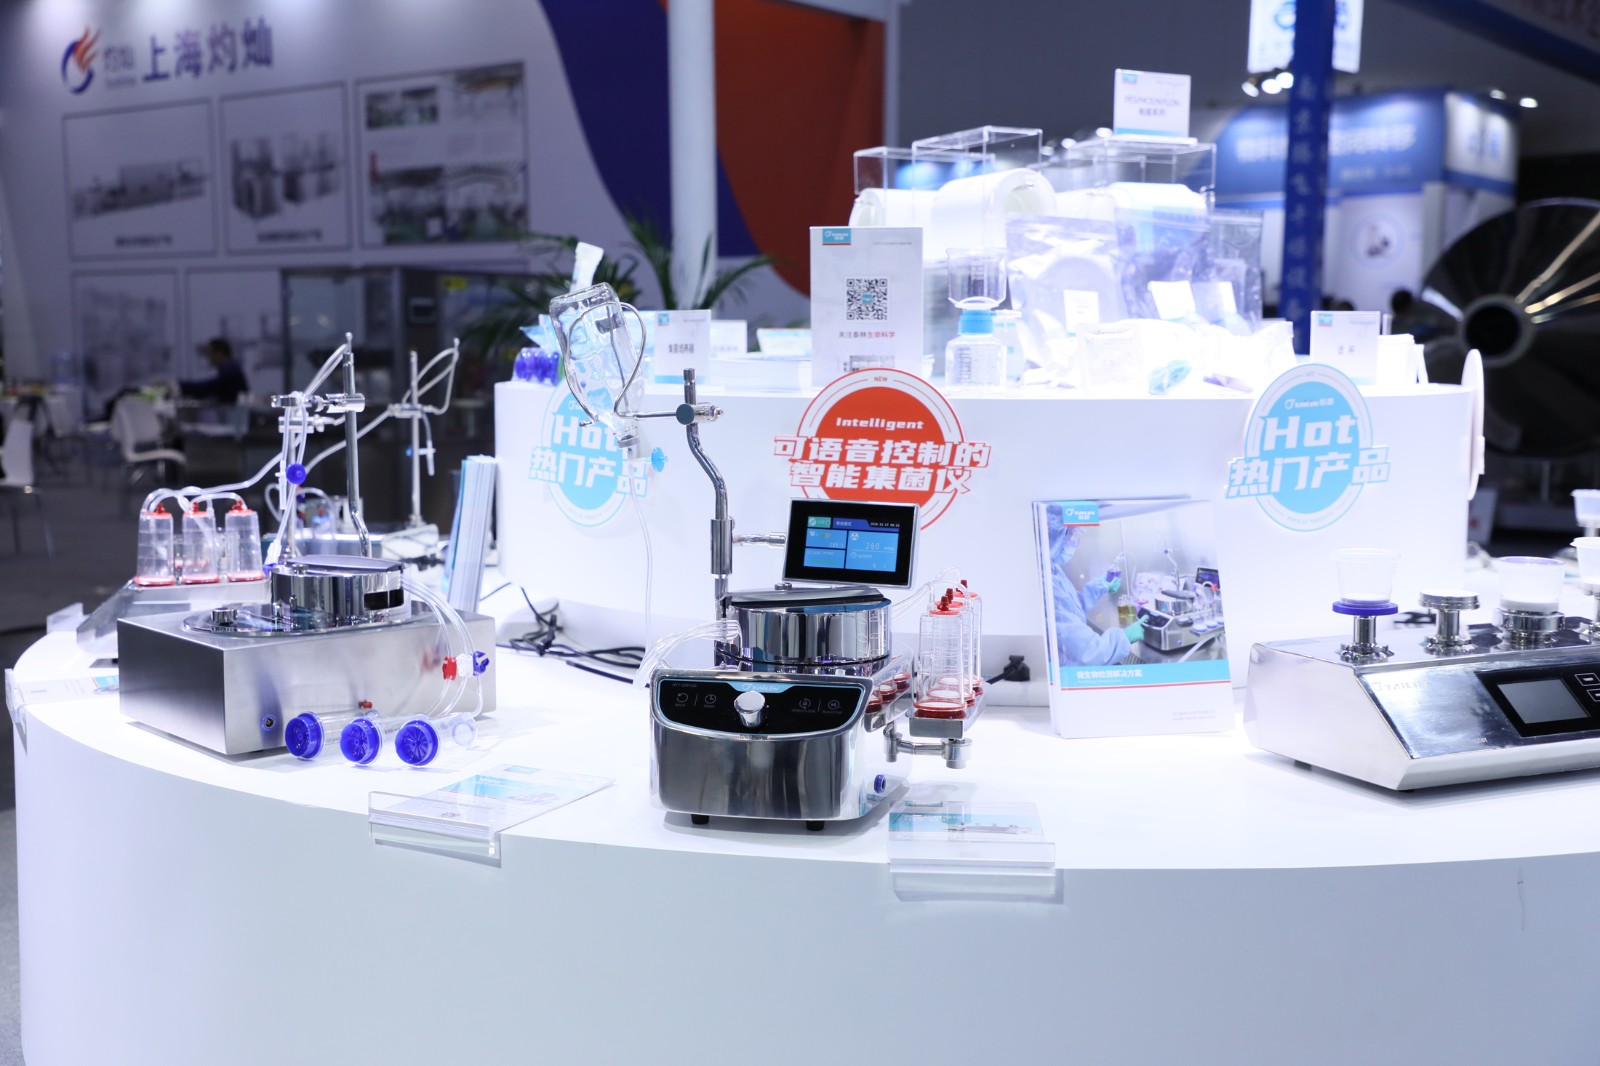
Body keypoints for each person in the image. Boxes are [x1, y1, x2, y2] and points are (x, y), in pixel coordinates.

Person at [1047, 506, 1143, 666]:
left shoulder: (1052, 568)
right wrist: (1124, 637)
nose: (1074, 543)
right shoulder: (1043, 581)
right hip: (1067, 671)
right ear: (1053, 535)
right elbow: (1090, 653)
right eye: (1070, 535)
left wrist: (1100, 587)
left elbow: (1071, 607)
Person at [179, 337, 248, 405]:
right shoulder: (231, 368)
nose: (208, 356)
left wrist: (179, 386)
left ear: (219, 353)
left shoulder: (231, 372)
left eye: (210, 353)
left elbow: (207, 388)